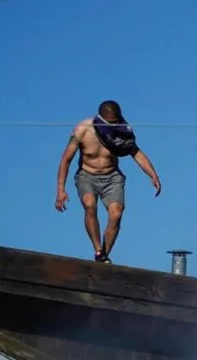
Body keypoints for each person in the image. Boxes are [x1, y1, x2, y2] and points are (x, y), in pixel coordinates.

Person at [54, 100, 162, 263]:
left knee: (116, 214)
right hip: (87, 175)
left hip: (112, 177)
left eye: (115, 122)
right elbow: (66, 160)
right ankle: (98, 249)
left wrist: (152, 174)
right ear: (101, 119)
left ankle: (104, 255)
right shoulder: (83, 130)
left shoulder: (121, 130)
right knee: (90, 204)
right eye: (110, 123)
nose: (113, 126)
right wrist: (61, 190)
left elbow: (136, 153)